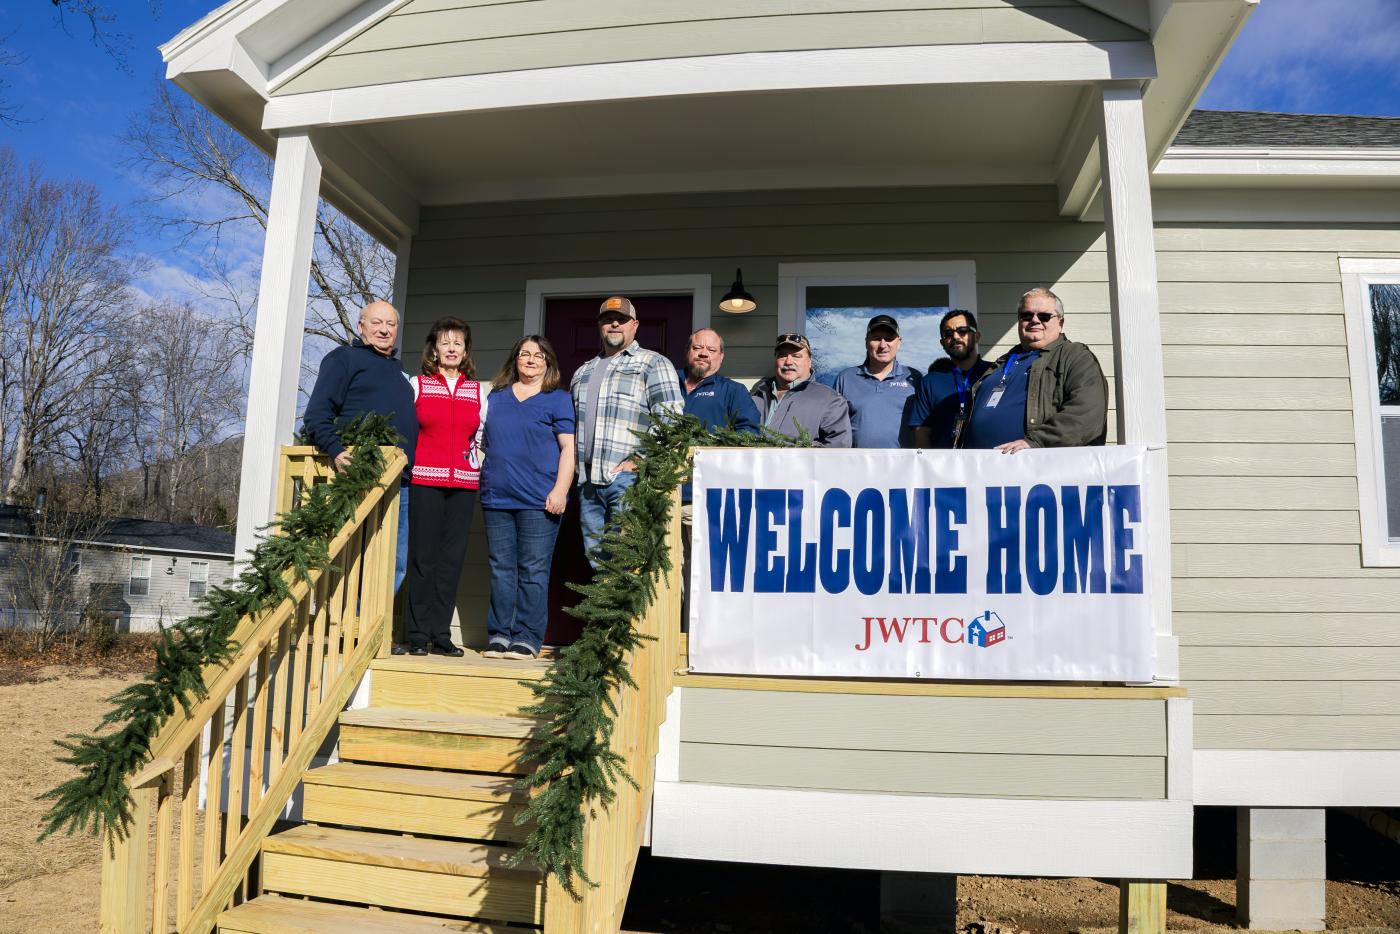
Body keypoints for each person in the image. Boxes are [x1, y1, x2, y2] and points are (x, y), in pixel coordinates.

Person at [302, 301, 417, 595]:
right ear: (360, 326)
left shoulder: (399, 372)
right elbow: (317, 414)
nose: (384, 330)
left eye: (391, 325)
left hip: (399, 480)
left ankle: (371, 631)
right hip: (356, 474)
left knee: (396, 560)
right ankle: (345, 628)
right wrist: (337, 451)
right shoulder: (344, 358)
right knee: (352, 555)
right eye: (376, 322)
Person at [479, 336, 576, 660]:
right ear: (515, 359)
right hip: (497, 496)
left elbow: (568, 449)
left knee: (533, 570)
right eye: (524, 354)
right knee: (500, 568)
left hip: (539, 500)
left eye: (538, 355)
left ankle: (527, 637)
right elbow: (482, 445)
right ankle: (499, 634)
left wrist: (560, 489)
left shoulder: (557, 400)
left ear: (547, 362)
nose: (531, 360)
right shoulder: (497, 397)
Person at [570, 296, 684, 564]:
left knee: (629, 562)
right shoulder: (582, 372)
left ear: (635, 325)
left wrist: (641, 459)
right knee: (598, 564)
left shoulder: (653, 363)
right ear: (599, 327)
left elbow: (672, 418)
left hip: (626, 480)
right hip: (587, 482)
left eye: (621, 320)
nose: (614, 324)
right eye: (608, 320)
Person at [402, 317, 487, 657]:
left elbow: (482, 437)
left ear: (466, 351)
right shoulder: (417, 386)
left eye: (458, 343)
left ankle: (441, 633)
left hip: (464, 486)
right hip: (425, 480)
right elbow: (407, 429)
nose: (452, 348)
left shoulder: (478, 391)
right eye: (445, 343)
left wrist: (474, 461)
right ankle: (418, 634)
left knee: (451, 561)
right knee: (424, 558)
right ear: (434, 350)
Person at [678, 328, 760, 630]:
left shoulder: (732, 391)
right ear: (688, 351)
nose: (703, 353)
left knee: (700, 575)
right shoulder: (666, 382)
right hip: (658, 496)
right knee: (664, 578)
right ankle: (667, 640)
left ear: (721, 357)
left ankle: (694, 640)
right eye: (698, 347)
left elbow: (749, 434)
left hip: (702, 499)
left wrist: (708, 450)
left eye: (711, 350)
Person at [959, 287, 1108, 452]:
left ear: (1060, 323)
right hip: (980, 470)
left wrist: (1036, 442)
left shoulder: (1075, 356)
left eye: (1044, 316)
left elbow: (1087, 414)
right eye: (1026, 315)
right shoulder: (1000, 363)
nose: (1035, 320)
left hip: (1038, 471)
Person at [908, 309, 995, 449]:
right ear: (942, 343)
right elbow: (922, 433)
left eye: (962, 331)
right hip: (943, 467)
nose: (955, 336)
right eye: (948, 333)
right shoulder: (931, 382)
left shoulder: (996, 373)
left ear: (977, 336)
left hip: (987, 464)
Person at [832, 314, 920, 448]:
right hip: (857, 464)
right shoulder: (846, 378)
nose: (883, 345)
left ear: (899, 342)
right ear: (866, 341)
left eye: (889, 339)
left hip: (903, 465)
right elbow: (834, 428)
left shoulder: (914, 377)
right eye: (877, 339)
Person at [750, 333, 852, 447]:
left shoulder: (831, 401)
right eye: (782, 355)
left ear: (809, 361)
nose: (788, 362)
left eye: (796, 356)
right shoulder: (756, 394)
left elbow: (837, 449)